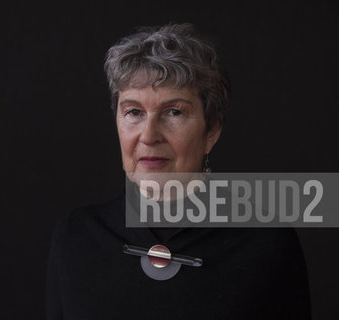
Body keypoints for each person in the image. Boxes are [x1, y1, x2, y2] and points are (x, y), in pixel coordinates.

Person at [46, 23, 310, 319]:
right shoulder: (76, 237)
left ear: (212, 130)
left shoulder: (267, 243)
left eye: (174, 112)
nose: (149, 135)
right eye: (134, 112)